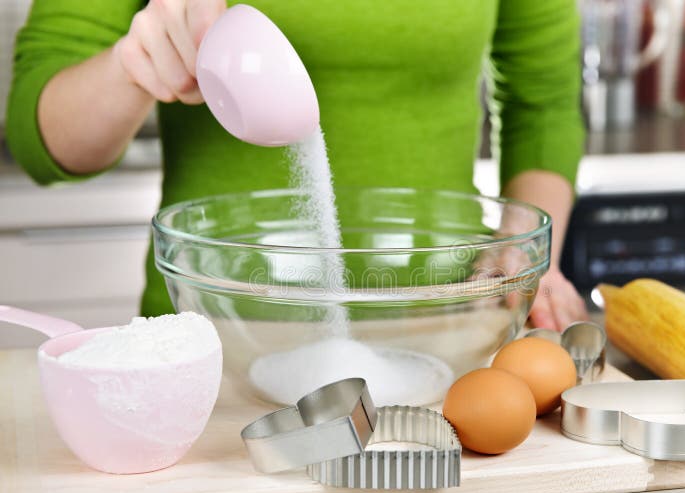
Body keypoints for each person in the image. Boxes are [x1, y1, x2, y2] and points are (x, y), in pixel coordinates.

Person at [7, 0, 588, 330]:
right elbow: (42, 140)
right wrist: (132, 66)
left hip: (443, 330)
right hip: (218, 337)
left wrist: (521, 244)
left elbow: (544, 103)